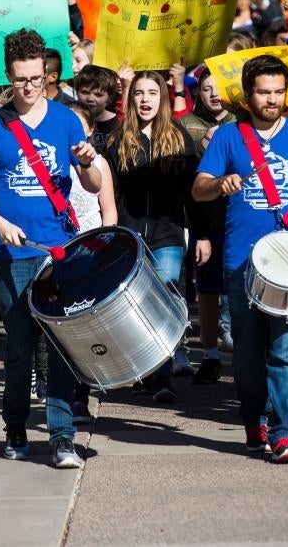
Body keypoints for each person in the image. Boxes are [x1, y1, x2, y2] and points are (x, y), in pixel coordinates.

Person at [192, 54, 288, 464]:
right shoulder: (229, 137)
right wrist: (219, 183)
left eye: (279, 92)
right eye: (264, 92)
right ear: (248, 94)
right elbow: (198, 189)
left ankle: (285, 434)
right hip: (241, 261)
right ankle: (253, 417)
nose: (273, 99)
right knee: (246, 355)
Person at [0, 28, 101, 469]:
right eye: (20, 80)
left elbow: (93, 186)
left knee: (60, 349)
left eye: (36, 79)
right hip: (17, 255)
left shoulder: (66, 120)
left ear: (46, 74)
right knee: (19, 350)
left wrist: (89, 161)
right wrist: (0, 224)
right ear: (8, 75)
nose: (29, 88)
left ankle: (61, 438)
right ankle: (16, 429)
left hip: (60, 251)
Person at [105, 71, 208, 396]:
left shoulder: (179, 138)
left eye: (152, 92)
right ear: (130, 98)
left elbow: (194, 193)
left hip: (168, 235)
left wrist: (202, 234)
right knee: (134, 304)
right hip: (129, 235)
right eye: (139, 93)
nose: (146, 99)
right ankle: (143, 370)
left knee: (165, 299)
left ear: (163, 98)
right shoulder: (119, 139)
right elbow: (110, 191)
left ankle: (161, 377)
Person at [178, 65, 235, 380]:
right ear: (197, 91)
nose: (214, 94)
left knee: (240, 289)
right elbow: (188, 185)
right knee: (208, 290)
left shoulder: (241, 123)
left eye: (220, 87)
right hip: (204, 220)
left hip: (239, 218)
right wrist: (198, 232)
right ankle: (210, 355)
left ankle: (244, 351)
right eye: (207, 88)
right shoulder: (186, 125)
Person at [64, 102, 118, 422]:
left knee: (84, 324)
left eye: (77, 123)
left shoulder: (99, 162)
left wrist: (107, 245)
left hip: (90, 246)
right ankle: (48, 382)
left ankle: (80, 393)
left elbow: (107, 209)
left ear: (90, 130)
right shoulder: (50, 160)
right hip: (57, 249)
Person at [73, 64, 119, 156]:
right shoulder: (67, 119)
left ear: (109, 98)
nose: (90, 98)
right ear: (77, 92)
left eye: (98, 95)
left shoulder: (119, 123)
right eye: (85, 92)